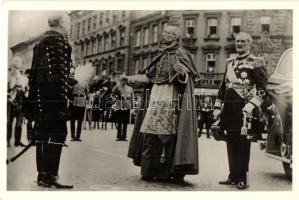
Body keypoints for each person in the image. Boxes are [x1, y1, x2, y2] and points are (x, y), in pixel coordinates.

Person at [127, 26, 199, 183]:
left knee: (168, 133)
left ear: (174, 36)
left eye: (166, 33)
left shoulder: (182, 53)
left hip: (171, 96)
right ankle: (149, 169)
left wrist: (183, 74)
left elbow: (189, 78)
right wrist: (132, 80)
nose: (162, 34)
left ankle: (169, 171)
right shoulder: (160, 55)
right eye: (163, 32)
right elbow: (150, 77)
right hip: (156, 96)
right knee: (151, 132)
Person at [213, 32, 268, 189]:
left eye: (243, 41)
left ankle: (243, 178)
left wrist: (252, 105)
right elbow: (223, 87)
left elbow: (263, 89)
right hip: (229, 109)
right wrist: (217, 107)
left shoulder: (256, 62)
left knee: (243, 145)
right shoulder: (230, 62)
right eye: (238, 41)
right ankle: (232, 176)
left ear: (250, 44)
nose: (240, 44)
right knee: (231, 142)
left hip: (245, 110)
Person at [27, 12, 75, 189]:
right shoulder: (61, 43)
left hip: (40, 98)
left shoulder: (40, 43)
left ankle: (42, 176)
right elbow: (57, 78)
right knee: (58, 135)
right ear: (62, 22)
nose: (70, 27)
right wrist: (66, 93)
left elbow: (36, 75)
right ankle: (52, 176)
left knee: (42, 136)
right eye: (69, 23)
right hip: (54, 100)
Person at [7, 56, 28, 147]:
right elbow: (10, 86)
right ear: (12, 62)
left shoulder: (22, 74)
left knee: (19, 122)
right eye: (16, 61)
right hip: (11, 100)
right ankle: (7, 140)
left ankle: (17, 140)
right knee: (9, 121)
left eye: (20, 61)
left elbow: (25, 86)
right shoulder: (8, 73)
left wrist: (25, 90)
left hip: (21, 99)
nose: (18, 63)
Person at [112, 76, 134, 141]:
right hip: (119, 104)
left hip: (127, 105)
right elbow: (113, 94)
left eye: (125, 80)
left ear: (127, 81)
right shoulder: (118, 88)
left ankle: (124, 136)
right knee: (119, 121)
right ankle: (119, 136)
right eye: (122, 80)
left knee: (125, 121)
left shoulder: (130, 88)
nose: (123, 81)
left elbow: (132, 97)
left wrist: (132, 106)